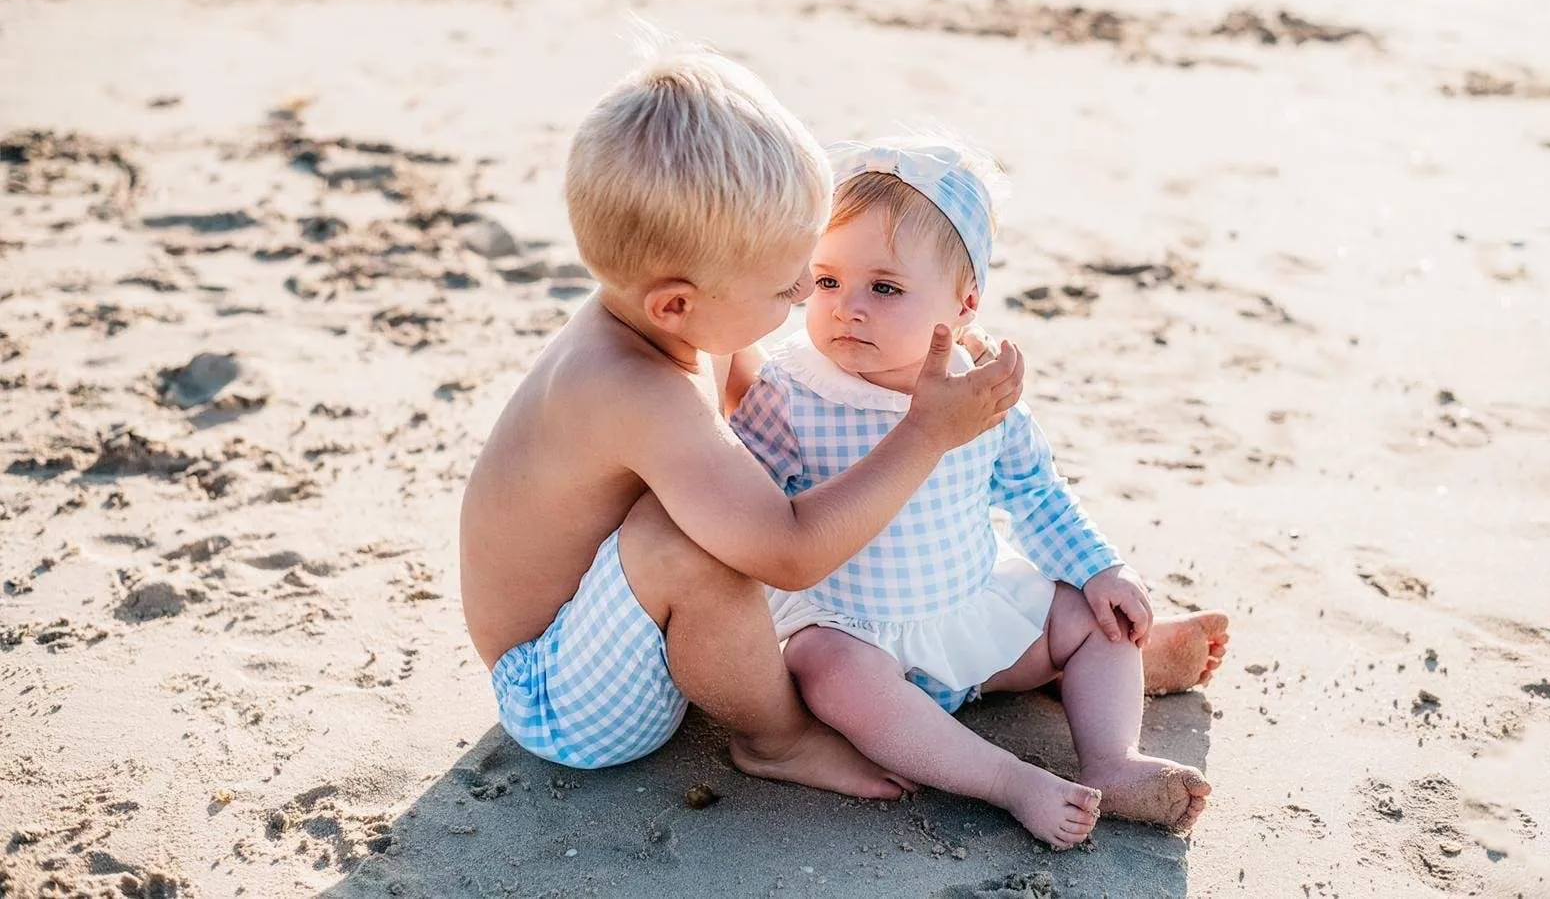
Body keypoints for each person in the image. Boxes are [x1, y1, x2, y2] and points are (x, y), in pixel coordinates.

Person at [458, 42, 1027, 800]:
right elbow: (788, 555)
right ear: (676, 303)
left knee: (755, 502)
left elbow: (774, 410)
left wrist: (887, 383)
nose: (802, 296)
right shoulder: (633, 389)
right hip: (560, 699)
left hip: (614, 635)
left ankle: (1006, 642)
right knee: (691, 543)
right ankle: (778, 740)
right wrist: (923, 433)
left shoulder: (676, 326)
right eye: (787, 285)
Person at [729, 136, 1226, 846]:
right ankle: (1009, 779)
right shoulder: (792, 390)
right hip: (856, 628)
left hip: (972, 608)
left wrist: (1100, 567)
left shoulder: (981, 391)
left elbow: (1035, 494)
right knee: (827, 670)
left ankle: (1112, 757)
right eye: (827, 281)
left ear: (963, 306)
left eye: (885, 288)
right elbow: (750, 506)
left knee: (1094, 616)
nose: (847, 309)